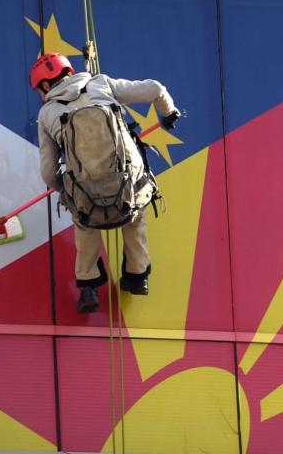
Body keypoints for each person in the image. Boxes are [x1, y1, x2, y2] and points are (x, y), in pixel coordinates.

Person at [31, 52, 180, 314]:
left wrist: (66, 192)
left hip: (87, 191)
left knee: (84, 223)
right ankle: (137, 277)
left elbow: (47, 171)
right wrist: (168, 113)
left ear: (44, 85)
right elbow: (155, 89)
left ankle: (88, 286)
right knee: (134, 215)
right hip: (127, 182)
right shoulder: (101, 84)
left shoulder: (47, 113)